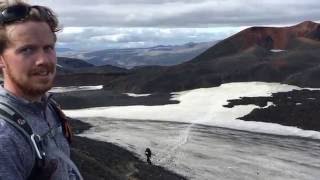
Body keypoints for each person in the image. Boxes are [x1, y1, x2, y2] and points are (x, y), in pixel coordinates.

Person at [0, 0, 82, 179]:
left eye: (48, 48)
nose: (43, 60)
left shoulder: (49, 109)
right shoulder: (5, 137)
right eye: (27, 50)